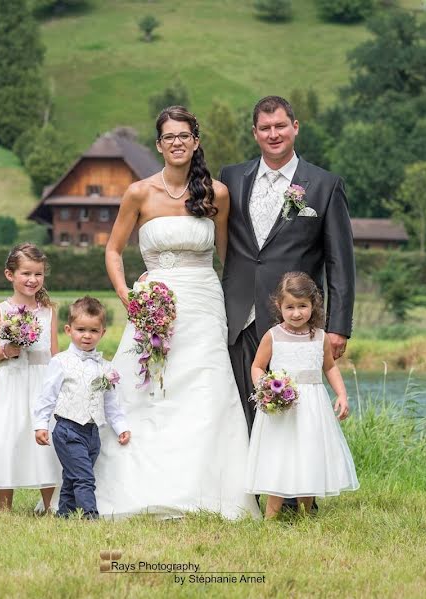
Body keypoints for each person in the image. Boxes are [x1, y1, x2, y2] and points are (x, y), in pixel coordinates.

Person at [97, 106, 261, 520]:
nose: (177, 143)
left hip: (204, 303)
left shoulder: (217, 194)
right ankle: (135, 489)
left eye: (184, 136)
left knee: (205, 392)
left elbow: (228, 257)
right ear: (158, 144)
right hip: (152, 303)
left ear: (196, 141)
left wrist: (247, 303)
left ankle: (205, 494)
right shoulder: (138, 193)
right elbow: (113, 250)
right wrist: (128, 298)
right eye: (169, 136)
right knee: (146, 391)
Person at [219, 95, 356, 436]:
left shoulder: (325, 185)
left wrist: (338, 327)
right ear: (255, 133)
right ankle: (250, 490)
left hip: (294, 320)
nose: (273, 134)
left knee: (294, 415)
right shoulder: (231, 178)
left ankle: (292, 490)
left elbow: (341, 262)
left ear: (295, 127)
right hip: (238, 316)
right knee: (242, 411)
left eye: (280, 126)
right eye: (265, 128)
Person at [245, 272, 359, 518]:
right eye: (290, 307)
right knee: (279, 456)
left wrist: (341, 395)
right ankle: (271, 516)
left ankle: (305, 514)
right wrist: (264, 387)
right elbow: (257, 366)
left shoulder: (319, 337)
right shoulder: (272, 336)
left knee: (309, 456)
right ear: (279, 306)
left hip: (311, 409)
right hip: (281, 410)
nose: (296, 313)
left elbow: (329, 367)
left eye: (302, 306)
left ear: (313, 305)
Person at [0, 243, 60, 511]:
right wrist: (6, 350)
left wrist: (60, 383)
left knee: (45, 438)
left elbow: (54, 352)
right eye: (26, 274)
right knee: (6, 437)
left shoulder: (48, 311)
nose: (32, 280)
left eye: (38, 274)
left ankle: (50, 505)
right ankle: (4, 507)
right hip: (12, 381)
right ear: (10, 275)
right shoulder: (1, 311)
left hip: (41, 381)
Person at [33, 297, 130, 519]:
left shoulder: (106, 367)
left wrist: (121, 426)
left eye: (93, 330)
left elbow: (111, 403)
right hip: (68, 430)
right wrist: (40, 425)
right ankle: (90, 516)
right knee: (85, 477)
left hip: (92, 433)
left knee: (73, 475)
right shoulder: (60, 361)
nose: (87, 335)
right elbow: (46, 396)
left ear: (102, 333)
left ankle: (64, 514)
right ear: (69, 330)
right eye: (81, 329)